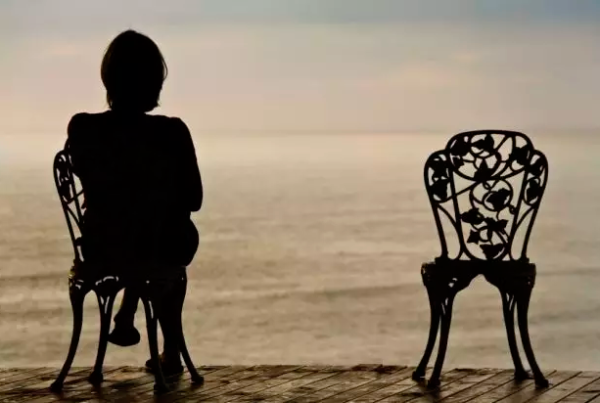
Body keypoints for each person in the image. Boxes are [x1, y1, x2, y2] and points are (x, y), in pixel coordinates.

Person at [66, 30, 202, 375]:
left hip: (103, 244)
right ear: (155, 83)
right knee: (165, 231)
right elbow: (195, 199)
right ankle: (169, 351)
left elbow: (88, 176)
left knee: (138, 229)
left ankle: (127, 312)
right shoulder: (172, 132)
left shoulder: (82, 128)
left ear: (109, 78)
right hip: (160, 243)